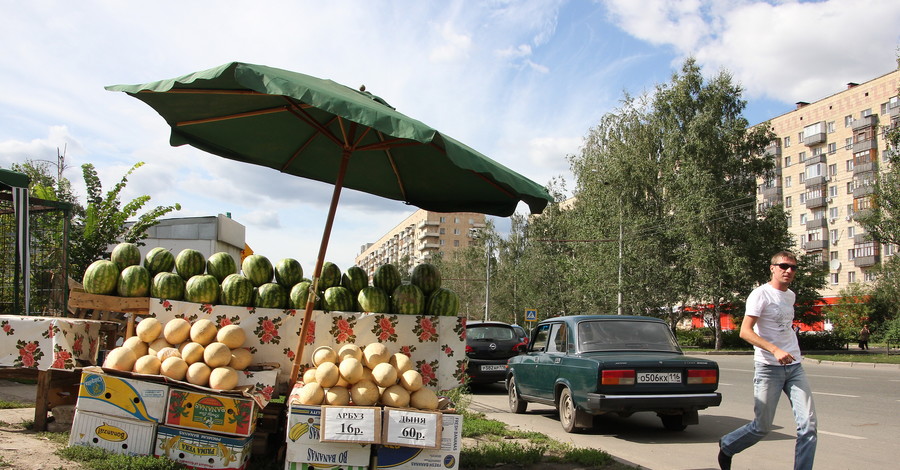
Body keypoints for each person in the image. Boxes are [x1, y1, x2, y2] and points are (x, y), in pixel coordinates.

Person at [718, 251, 817, 470]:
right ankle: (728, 445)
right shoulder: (760, 294)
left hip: (794, 368)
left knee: (808, 426)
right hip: (768, 368)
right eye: (783, 266)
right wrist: (775, 350)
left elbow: (784, 326)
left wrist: (789, 347)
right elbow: (744, 331)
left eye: (793, 267)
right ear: (772, 268)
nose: (788, 271)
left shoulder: (790, 295)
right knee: (762, 427)